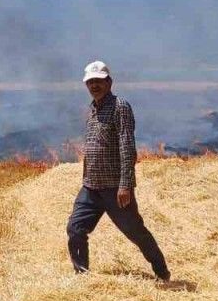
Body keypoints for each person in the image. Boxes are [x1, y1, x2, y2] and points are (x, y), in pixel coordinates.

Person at [65, 60, 171, 280]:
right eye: (90, 82)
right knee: (75, 228)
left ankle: (161, 271)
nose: (94, 86)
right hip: (91, 188)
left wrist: (125, 185)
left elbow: (127, 146)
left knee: (136, 232)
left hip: (115, 189)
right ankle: (81, 275)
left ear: (109, 82)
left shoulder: (120, 107)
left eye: (99, 81)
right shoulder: (92, 109)